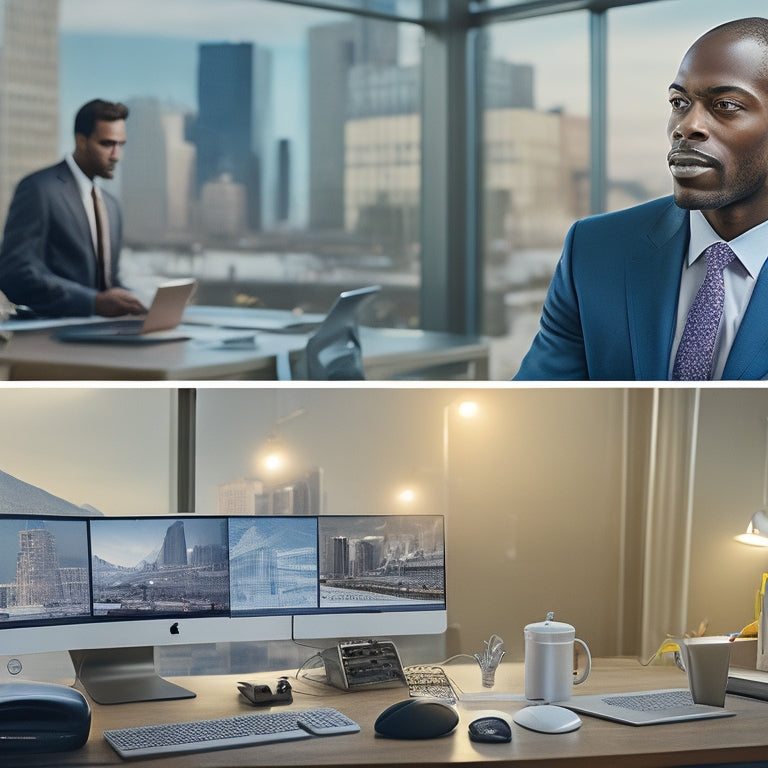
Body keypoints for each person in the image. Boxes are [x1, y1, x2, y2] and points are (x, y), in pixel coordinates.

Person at [515, 17, 768, 381]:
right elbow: (535, 412)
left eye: (725, 104)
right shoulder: (594, 251)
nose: (686, 126)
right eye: (680, 102)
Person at [0, 99, 146, 317]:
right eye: (107, 144)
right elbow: (15, 271)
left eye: (121, 145)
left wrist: (140, 302)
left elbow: (106, 282)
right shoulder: (39, 189)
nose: (116, 155)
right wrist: (92, 302)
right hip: (48, 338)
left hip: (105, 335)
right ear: (82, 141)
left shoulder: (111, 206)